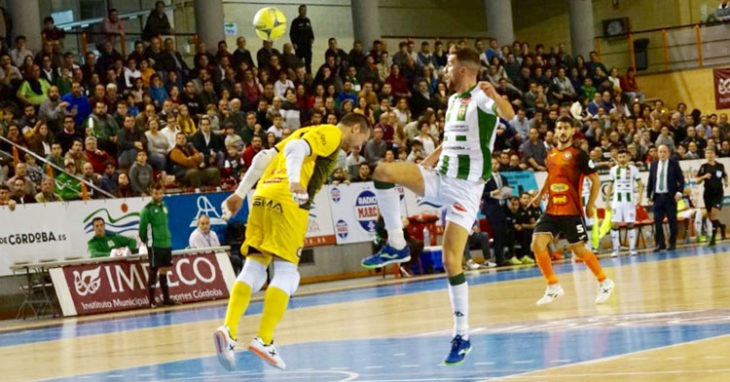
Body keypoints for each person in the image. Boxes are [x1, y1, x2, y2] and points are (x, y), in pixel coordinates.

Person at [360, 48, 515, 365]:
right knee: (382, 171)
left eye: (448, 63)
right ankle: (396, 243)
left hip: (467, 190)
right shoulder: (454, 101)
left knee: (450, 261)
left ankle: (462, 334)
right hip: (441, 176)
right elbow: (451, 139)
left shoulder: (482, 97)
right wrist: (426, 162)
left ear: (462, 69)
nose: (444, 68)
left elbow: (509, 115)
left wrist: (496, 95)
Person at [213, 113, 372, 371]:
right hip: (289, 201)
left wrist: (240, 193)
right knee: (287, 272)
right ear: (355, 128)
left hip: (262, 196)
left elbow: (263, 157)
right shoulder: (331, 134)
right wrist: (296, 181)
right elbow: (298, 149)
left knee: (254, 267)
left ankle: (228, 330)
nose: (359, 147)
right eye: (361, 139)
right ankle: (263, 338)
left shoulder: (303, 131)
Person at [529, 116, 615, 306]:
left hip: (572, 210)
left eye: (566, 128)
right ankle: (553, 286)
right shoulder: (550, 154)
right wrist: (540, 194)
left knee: (579, 250)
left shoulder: (579, 154)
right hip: (552, 209)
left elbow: (596, 181)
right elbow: (551, 177)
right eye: (559, 128)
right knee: (537, 244)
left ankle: (605, 282)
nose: (562, 131)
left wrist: (591, 205)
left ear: (572, 131)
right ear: (555, 130)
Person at [138, 183, 177, 308]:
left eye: (160, 193)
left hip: (166, 243)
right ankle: (151, 301)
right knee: (153, 270)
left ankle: (166, 298)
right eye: (155, 193)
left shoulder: (165, 206)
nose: (158, 195)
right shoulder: (147, 209)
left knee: (165, 270)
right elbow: (142, 229)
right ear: (151, 193)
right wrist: (147, 241)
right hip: (155, 244)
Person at [606, 149, 644, 257]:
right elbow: (610, 186)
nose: (622, 159)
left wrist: (639, 197)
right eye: (620, 157)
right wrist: (607, 201)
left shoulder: (633, 169)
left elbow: (640, 184)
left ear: (628, 157)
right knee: (614, 223)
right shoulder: (613, 170)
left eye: (624, 156)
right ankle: (616, 249)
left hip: (629, 201)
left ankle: (632, 248)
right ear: (617, 158)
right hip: (617, 202)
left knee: (630, 223)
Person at [647, 144, 685, 251]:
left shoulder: (674, 164)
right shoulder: (654, 164)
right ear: (657, 153)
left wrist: (679, 193)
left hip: (670, 197)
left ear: (668, 153)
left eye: (664, 152)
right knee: (657, 222)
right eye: (660, 152)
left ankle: (672, 243)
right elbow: (651, 180)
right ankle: (660, 243)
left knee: (672, 221)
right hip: (657, 197)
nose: (662, 154)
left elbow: (681, 180)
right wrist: (648, 195)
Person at [696, 147, 728, 246]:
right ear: (705, 155)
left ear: (714, 154)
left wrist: (726, 182)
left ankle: (713, 239)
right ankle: (722, 226)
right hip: (708, 194)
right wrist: (704, 176)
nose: (709, 155)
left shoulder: (720, 166)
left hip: (718, 193)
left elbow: (725, 175)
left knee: (714, 214)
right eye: (707, 153)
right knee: (710, 217)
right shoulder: (704, 167)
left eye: (711, 153)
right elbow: (697, 180)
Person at [481, 160, 509, 266]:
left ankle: (503, 256)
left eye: (496, 163)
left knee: (503, 234)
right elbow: (481, 193)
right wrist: (492, 193)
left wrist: (507, 194)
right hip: (492, 209)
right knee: (497, 234)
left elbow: (506, 192)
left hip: (503, 208)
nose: (494, 165)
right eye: (492, 163)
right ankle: (499, 259)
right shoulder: (485, 178)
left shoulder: (504, 178)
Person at [290, 5, 314, 73]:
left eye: (305, 10)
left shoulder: (307, 20)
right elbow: (292, 34)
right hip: (299, 46)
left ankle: (309, 77)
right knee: (298, 64)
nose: (304, 11)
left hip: (307, 46)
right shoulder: (295, 21)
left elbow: (311, 32)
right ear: (299, 11)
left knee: (308, 64)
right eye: (302, 10)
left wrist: (312, 40)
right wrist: (294, 43)